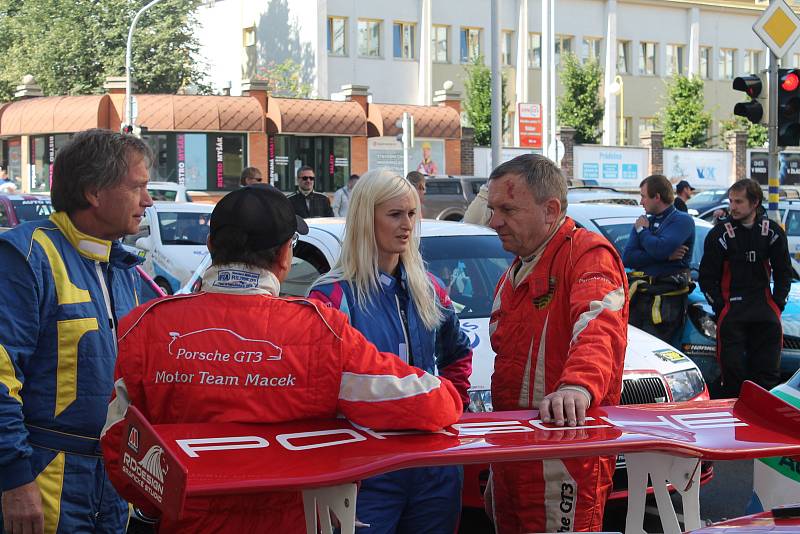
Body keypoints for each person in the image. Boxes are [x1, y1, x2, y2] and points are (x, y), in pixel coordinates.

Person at [100, 184, 463, 534]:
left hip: (188, 520)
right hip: (292, 520)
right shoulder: (320, 330)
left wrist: (166, 502)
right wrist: (451, 392)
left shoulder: (146, 325)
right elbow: (428, 403)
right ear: (284, 256)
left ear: (210, 246)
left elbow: (118, 444)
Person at [0, 129, 153, 534]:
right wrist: (14, 479)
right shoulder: (24, 255)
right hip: (42, 479)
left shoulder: (120, 265)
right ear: (94, 193)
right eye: (137, 187)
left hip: (110, 480)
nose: (148, 201)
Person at [308, 170, 472, 534]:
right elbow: (317, 387)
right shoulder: (332, 296)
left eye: (412, 214)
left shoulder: (430, 289)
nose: (407, 225)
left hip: (432, 466)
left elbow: (456, 353)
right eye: (395, 214)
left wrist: (450, 409)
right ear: (367, 218)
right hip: (364, 469)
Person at [484, 154, 628, 533]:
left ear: (550, 210)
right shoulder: (518, 268)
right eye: (492, 208)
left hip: (562, 456)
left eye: (507, 209)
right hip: (512, 452)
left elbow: (599, 326)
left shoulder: (587, 254)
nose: (493, 221)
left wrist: (577, 386)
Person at [699, 179, 792, 398]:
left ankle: (765, 424)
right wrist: (721, 307)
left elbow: (784, 272)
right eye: (731, 201)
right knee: (732, 375)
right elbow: (707, 277)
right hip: (732, 312)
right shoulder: (719, 233)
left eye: (739, 202)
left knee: (767, 376)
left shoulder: (773, 232)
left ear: (755, 202)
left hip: (765, 311)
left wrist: (777, 303)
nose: (733, 206)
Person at [622, 174, 695, 345]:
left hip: (666, 303)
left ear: (657, 197)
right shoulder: (644, 221)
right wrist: (666, 257)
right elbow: (628, 257)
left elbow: (659, 248)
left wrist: (643, 233)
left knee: (655, 350)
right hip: (641, 297)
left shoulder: (682, 220)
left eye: (643, 196)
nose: (641, 202)